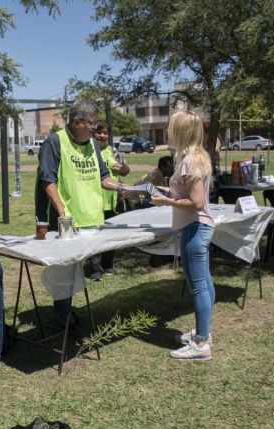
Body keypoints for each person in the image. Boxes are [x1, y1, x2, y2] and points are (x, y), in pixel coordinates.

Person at [35, 100, 134, 327]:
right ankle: (63, 316)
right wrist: (62, 213)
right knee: (64, 269)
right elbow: (47, 181)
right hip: (67, 221)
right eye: (90, 124)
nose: (94, 129)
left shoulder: (92, 145)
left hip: (92, 219)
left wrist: (124, 188)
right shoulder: (54, 142)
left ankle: (67, 312)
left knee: (77, 269)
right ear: (77, 121)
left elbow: (104, 179)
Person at [150, 111, 215, 360]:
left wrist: (165, 201)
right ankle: (204, 334)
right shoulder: (195, 158)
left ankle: (201, 344)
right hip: (199, 227)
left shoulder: (190, 161)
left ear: (179, 131)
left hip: (195, 228)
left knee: (198, 287)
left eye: (171, 127)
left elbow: (196, 202)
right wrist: (165, 193)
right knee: (205, 284)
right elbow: (187, 193)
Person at [89, 120, 130, 280]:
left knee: (111, 234)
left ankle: (108, 264)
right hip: (94, 200)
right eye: (99, 132)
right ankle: (95, 268)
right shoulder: (89, 151)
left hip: (114, 202)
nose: (102, 136)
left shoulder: (114, 151)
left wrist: (123, 169)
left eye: (105, 133)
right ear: (93, 134)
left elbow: (126, 170)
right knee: (95, 234)